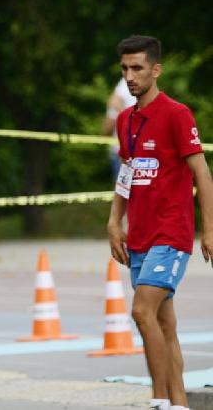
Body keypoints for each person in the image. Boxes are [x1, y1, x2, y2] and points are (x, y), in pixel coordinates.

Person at [107, 35, 213, 410]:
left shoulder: (177, 114)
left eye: (137, 68)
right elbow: (127, 173)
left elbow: (202, 174)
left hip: (172, 233)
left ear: (156, 69)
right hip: (140, 235)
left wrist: (209, 231)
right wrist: (114, 221)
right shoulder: (125, 120)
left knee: (141, 311)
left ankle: (159, 400)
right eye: (125, 69)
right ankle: (180, 403)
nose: (130, 76)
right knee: (165, 325)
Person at [103, 77, 136, 180]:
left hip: (121, 152)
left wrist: (105, 136)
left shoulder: (120, 91)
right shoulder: (145, 85)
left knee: (122, 192)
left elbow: (108, 125)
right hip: (143, 151)